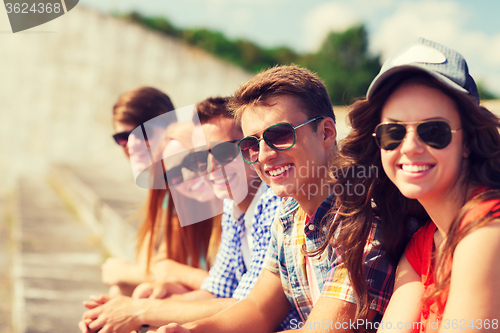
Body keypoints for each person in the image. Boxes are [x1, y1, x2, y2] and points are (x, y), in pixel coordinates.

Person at [154, 65, 395, 333]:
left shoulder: (364, 218)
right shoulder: (289, 215)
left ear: (326, 132)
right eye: (250, 145)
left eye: (279, 135)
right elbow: (258, 309)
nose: (264, 155)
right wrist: (189, 330)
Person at [79, 96, 292, 333]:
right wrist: (135, 307)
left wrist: (139, 311)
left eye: (223, 151)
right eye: (199, 157)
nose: (210, 166)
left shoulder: (272, 200)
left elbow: (247, 306)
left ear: (249, 148)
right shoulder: (230, 207)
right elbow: (216, 290)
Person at [332, 38, 500, 332]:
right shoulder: (424, 244)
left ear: (468, 141)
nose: (409, 146)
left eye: (433, 130)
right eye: (393, 131)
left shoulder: (487, 231)